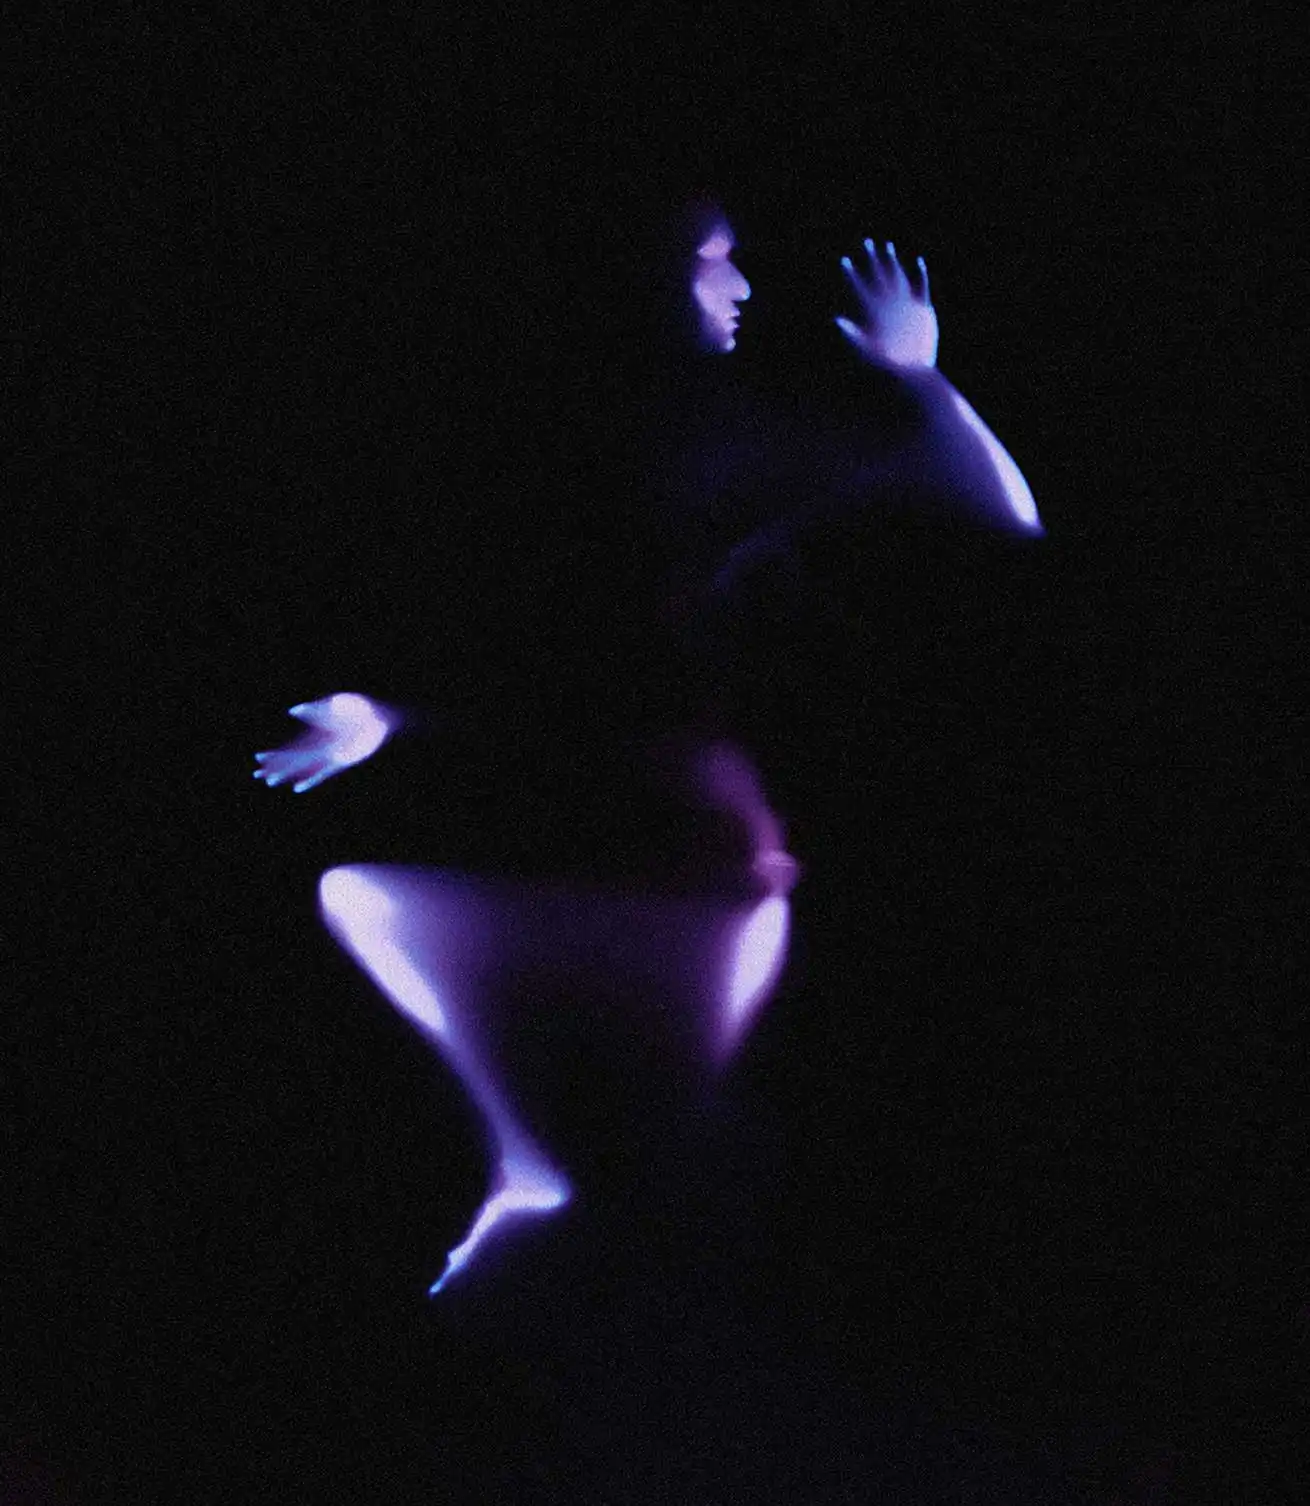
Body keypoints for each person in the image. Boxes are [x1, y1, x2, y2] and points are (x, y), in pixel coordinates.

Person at [252, 200, 1039, 1294]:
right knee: (380, 919)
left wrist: (920, 380)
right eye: (714, 262)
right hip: (666, 863)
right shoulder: (638, 457)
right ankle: (540, 1200)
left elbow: (1002, 520)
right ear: (649, 279)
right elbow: (558, 679)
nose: (741, 287)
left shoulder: (720, 445)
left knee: (638, 1176)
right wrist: (387, 719)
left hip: (706, 874)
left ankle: (550, 1207)